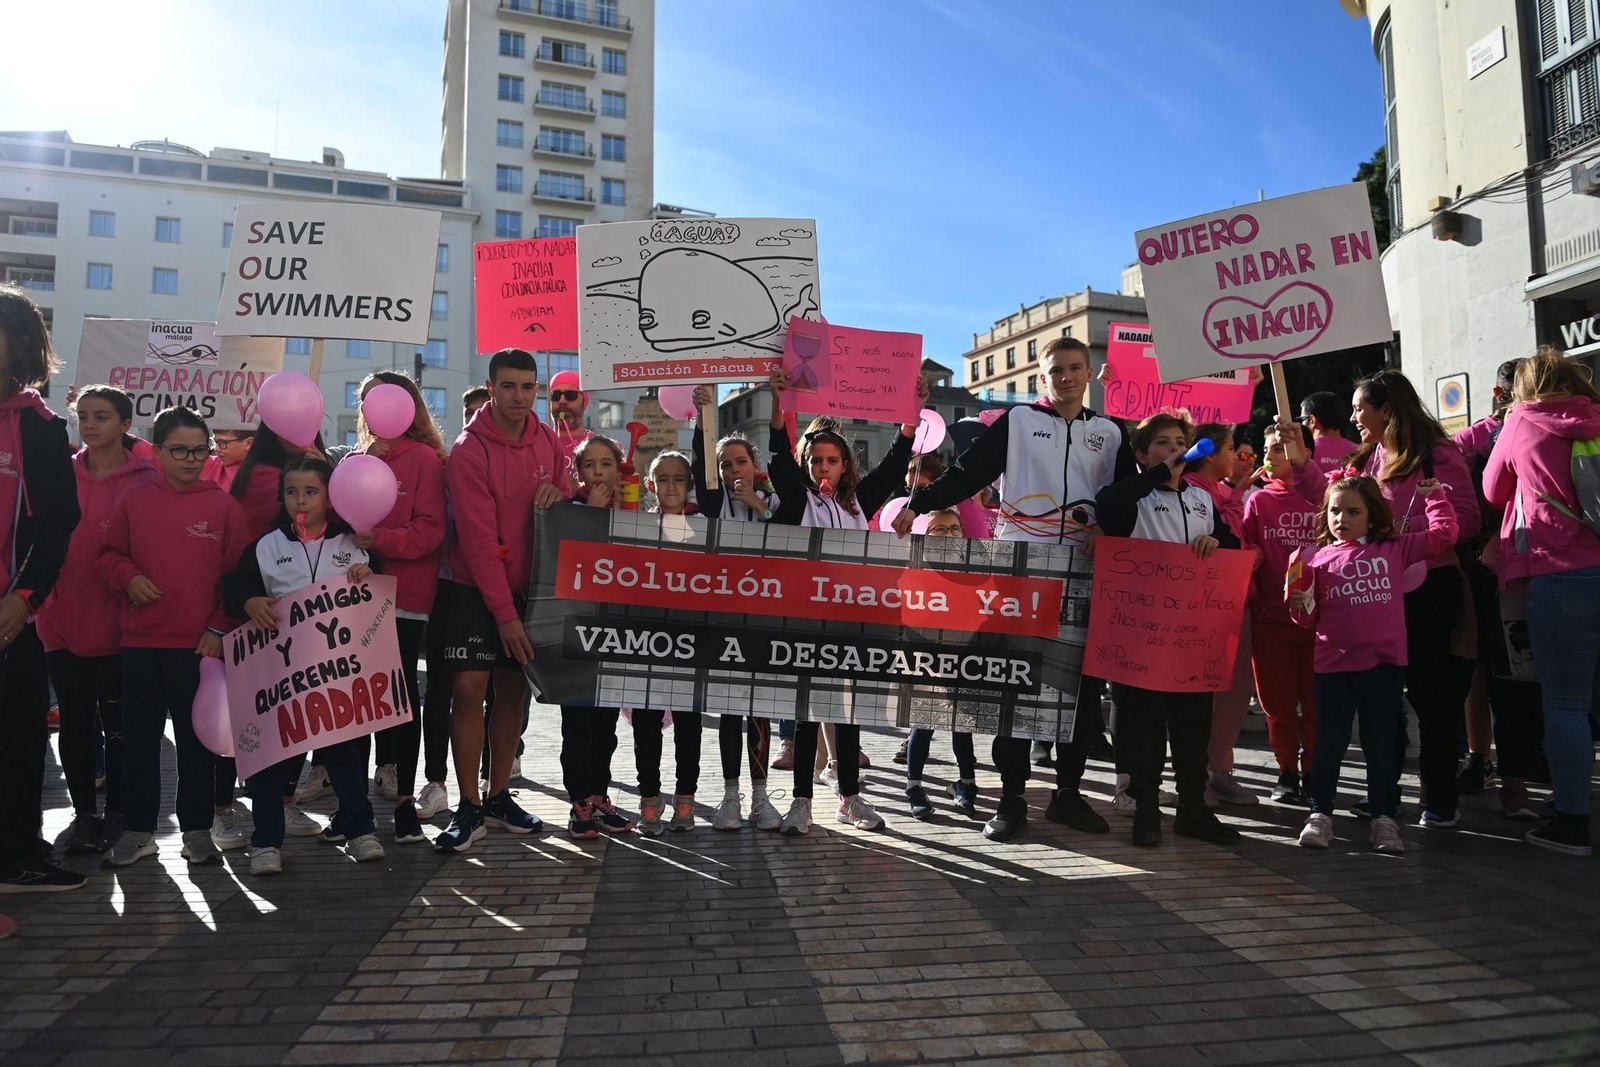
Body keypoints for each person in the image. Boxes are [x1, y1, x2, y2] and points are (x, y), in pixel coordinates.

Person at [898, 336, 1127, 841]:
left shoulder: (1110, 432)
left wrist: (1111, 532)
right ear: (1041, 377)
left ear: (1089, 374)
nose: (1066, 377)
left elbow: (1126, 499)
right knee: (1016, 688)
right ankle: (1012, 797)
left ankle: (1068, 793)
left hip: (1083, 576)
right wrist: (918, 505)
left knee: (1079, 694)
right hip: (1022, 574)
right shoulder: (1019, 421)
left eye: (1075, 368)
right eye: (1056, 369)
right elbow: (968, 473)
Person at [1286, 371, 1481, 829]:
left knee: (1433, 697)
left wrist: (1396, 536)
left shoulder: (1436, 455)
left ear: (1387, 409)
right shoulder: (1367, 458)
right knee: (1383, 701)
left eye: (1360, 407)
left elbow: (1467, 519)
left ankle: (1439, 797)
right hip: (1375, 593)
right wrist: (1298, 459)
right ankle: (1383, 798)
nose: (1353, 416)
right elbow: (1329, 498)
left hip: (1429, 589)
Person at [767, 371, 930, 834]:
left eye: (832, 461)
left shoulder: (859, 502)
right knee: (807, 712)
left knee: (848, 709)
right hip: (806, 620)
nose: (824, 468)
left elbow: (895, 462)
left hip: (852, 620)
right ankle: (801, 803)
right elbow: (778, 459)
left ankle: (849, 798)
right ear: (806, 464)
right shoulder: (798, 501)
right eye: (816, 460)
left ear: (844, 466)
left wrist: (911, 414)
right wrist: (779, 404)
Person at [99, 407, 250, 868]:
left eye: (199, 450)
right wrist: (127, 577)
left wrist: (218, 628)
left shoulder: (224, 506)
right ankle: (138, 831)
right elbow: (108, 554)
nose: (190, 459)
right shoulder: (133, 498)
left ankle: (197, 831)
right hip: (140, 644)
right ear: (158, 451)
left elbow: (240, 579)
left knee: (197, 744)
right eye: (179, 450)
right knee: (138, 741)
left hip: (199, 650)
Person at [435, 349, 570, 852]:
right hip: (473, 588)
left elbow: (566, 489)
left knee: (512, 692)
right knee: (470, 691)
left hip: (529, 588)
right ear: (490, 388)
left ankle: (497, 796)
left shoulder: (548, 439)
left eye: (527, 387)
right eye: (508, 386)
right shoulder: (469, 451)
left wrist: (560, 491)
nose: (519, 396)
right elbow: (477, 543)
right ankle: (468, 805)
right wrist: (505, 616)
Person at [223, 457, 386, 874]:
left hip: (338, 676)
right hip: (282, 678)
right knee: (273, 763)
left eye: (311, 491)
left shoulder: (353, 543)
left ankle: (360, 832)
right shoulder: (266, 546)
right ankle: (266, 843)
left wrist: (368, 573)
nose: (300, 500)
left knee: (345, 757)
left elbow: (379, 594)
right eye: (292, 491)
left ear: (330, 498)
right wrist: (250, 602)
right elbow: (235, 589)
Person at [1095, 413, 1242, 848]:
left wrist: (1217, 542)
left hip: (1192, 635)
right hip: (1141, 635)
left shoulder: (1201, 498)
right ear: (1142, 455)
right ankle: (1146, 811)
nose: (1175, 449)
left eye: (1181, 442)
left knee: (1192, 725)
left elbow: (1231, 543)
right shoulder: (1131, 498)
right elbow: (1108, 505)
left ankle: (1193, 809)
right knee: (1144, 727)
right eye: (1163, 442)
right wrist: (1158, 475)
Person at [1293, 475, 1456, 853]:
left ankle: (1384, 818)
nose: (1342, 519)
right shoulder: (1313, 558)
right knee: (1329, 743)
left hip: (1382, 666)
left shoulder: (1394, 547)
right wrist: (1298, 605)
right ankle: (1320, 814)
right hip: (1332, 667)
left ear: (1373, 516)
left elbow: (1443, 536)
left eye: (1353, 511)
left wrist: (1435, 497)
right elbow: (1306, 619)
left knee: (1380, 743)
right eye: (1335, 511)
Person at [1483, 349, 1600, 857]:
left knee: (1566, 704)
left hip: (1560, 573)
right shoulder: (1596, 416)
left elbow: (1492, 490)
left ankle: (1571, 822)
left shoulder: (1522, 420)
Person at [36, 385, 160, 855]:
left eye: (101, 416)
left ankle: (120, 814)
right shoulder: (59, 473)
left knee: (120, 725)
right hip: (61, 621)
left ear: (126, 425)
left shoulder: (146, 480)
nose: (89, 424)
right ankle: (84, 814)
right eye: (83, 415)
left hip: (121, 626)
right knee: (74, 723)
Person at [0, 283, 84, 894]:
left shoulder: (44, 429)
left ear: (21, 343)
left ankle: (17, 856)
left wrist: (23, 598)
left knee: (21, 740)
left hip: (13, 616)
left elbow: (57, 526)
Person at [351, 372, 447, 845]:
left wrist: (381, 540)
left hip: (406, 598)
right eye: (368, 401)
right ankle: (354, 806)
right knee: (356, 702)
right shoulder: (356, 459)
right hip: (355, 597)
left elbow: (431, 530)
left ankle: (406, 801)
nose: (377, 410)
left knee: (401, 698)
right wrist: (364, 463)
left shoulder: (425, 459)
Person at [688, 387, 784, 832]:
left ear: (754, 464)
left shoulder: (774, 500)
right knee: (729, 707)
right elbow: (699, 462)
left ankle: (761, 798)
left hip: (763, 615)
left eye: (740, 462)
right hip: (724, 614)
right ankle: (730, 795)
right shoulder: (713, 499)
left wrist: (758, 505)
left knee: (758, 708)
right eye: (725, 464)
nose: (732, 470)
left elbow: (786, 536)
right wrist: (702, 415)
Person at [1182, 423, 1260, 808]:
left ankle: (1218, 770)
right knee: (1208, 694)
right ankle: (1201, 776)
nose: (1237, 456)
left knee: (1234, 690)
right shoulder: (1191, 491)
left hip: (1236, 599)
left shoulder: (1220, 490)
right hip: (1209, 604)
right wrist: (1238, 496)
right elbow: (1221, 539)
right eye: (1231, 449)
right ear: (1209, 453)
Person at [1242, 425, 1319, 805]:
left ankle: (1315, 772)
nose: (1269, 457)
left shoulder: (1325, 496)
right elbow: (1243, 543)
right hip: (1270, 620)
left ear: (1304, 453)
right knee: (1277, 704)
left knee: (1317, 704)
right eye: (1266, 449)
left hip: (1321, 625)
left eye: (1278, 449)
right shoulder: (1258, 501)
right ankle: (1286, 770)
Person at [629, 450, 704, 835]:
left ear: (690, 484)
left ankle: (685, 799)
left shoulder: (706, 525)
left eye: (678, 478)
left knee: (690, 724)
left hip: (692, 641)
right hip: (648, 640)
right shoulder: (638, 526)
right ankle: (649, 797)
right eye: (662, 478)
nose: (671, 485)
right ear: (650, 485)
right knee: (646, 722)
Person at [562, 433, 632, 837]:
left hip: (615, 633)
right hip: (576, 632)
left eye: (606, 464)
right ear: (579, 473)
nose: (599, 472)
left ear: (619, 470)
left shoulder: (630, 508)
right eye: (590, 465)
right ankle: (579, 802)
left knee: (605, 726)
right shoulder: (570, 508)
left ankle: (599, 795)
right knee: (577, 724)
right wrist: (590, 513)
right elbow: (568, 556)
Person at [903, 508, 980, 820]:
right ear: (925, 534)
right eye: (940, 529)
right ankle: (913, 787)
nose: (949, 535)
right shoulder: (914, 568)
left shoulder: (974, 570)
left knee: (962, 725)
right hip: (925, 658)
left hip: (962, 657)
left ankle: (966, 783)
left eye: (955, 529)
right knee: (923, 723)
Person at [1300, 392, 1357, 475]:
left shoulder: (1303, 454)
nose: (1302, 424)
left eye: (1302, 419)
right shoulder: (1360, 452)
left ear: (1312, 420)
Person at [547, 369, 588, 463]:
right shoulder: (538, 443)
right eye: (556, 395)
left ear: (584, 402)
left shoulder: (602, 447)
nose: (562, 401)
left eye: (570, 395)